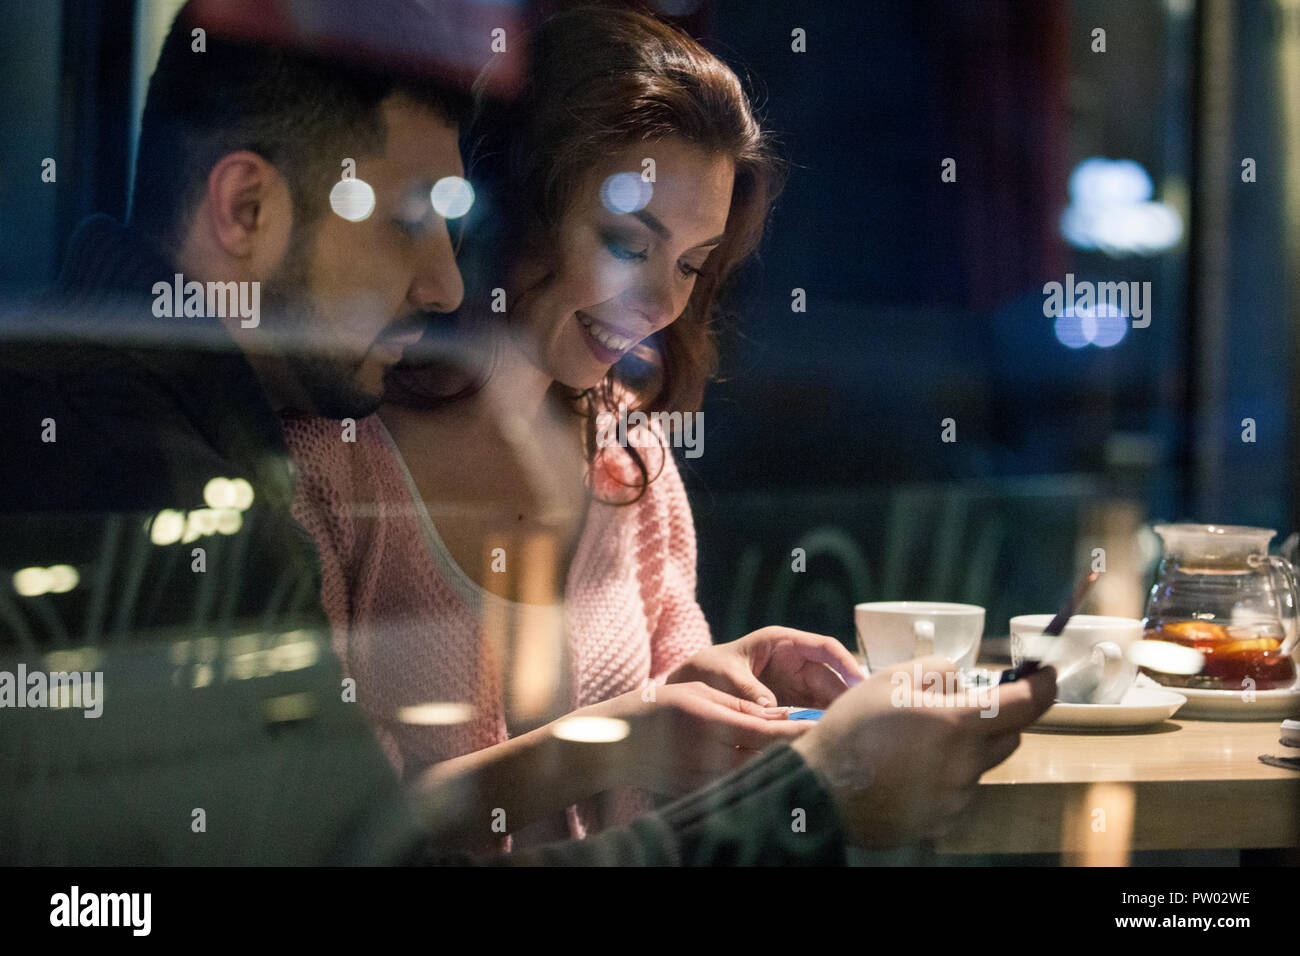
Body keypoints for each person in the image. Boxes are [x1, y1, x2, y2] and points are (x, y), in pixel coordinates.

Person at [0, 0, 1055, 866]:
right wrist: (808, 784)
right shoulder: (205, 466)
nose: (444, 274)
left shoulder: (620, 452)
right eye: (415, 214)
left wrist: (729, 712)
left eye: (692, 266)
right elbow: (363, 846)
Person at [282, 6, 869, 849]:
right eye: (629, 244)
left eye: (693, 265)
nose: (667, 305)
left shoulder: (631, 455)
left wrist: (716, 684)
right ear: (514, 204)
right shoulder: (331, 463)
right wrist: (614, 740)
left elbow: (672, 756)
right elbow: (339, 839)